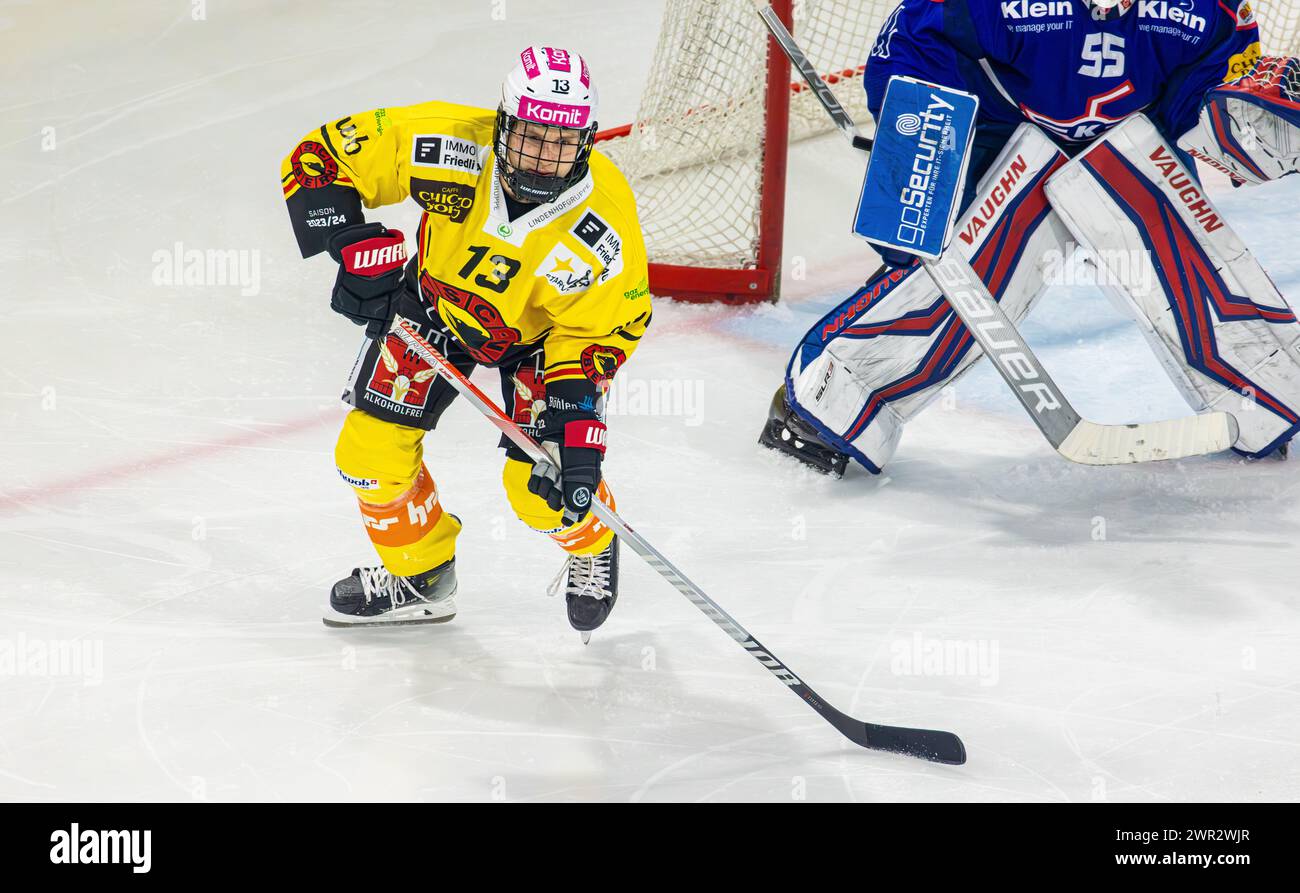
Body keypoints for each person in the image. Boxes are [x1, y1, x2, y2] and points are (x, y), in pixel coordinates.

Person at [761, 0, 1300, 476]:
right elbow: (914, 37)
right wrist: (921, 146)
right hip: (1007, 127)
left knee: (1184, 257)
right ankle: (835, 395)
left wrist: (1236, 119)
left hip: (1135, 140)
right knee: (968, 273)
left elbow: (1201, 88)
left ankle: (1259, 396)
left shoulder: (1208, 8)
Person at [280, 47, 652, 635]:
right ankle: (422, 576)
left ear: (586, 142)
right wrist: (352, 243)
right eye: (531, 135)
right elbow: (317, 157)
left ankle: (592, 539)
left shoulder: (603, 227)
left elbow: (602, 329)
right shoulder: (449, 144)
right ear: (503, 123)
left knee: (541, 490)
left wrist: (578, 429)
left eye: (561, 142)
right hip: (433, 309)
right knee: (369, 459)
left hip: (543, 343)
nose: (544, 157)